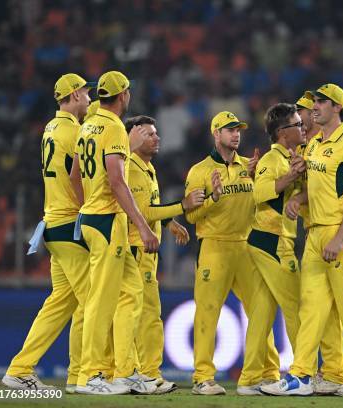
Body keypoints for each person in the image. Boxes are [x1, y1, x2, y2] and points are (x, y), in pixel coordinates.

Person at [262, 84, 343, 397]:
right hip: (315, 234)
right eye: (314, 102)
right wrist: (299, 198)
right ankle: (301, 375)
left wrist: (338, 238)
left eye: (321, 102)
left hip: (342, 235)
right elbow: (324, 187)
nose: (314, 107)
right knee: (312, 309)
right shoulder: (315, 144)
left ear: (337, 107)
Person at [2, 74, 92, 391]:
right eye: (85, 92)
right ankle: (87, 376)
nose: (89, 97)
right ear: (74, 95)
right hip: (70, 223)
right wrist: (90, 212)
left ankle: (21, 368)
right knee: (95, 301)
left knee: (61, 303)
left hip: (52, 223)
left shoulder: (51, 129)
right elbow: (78, 176)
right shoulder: (76, 131)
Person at [72, 71, 160, 395]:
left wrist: (86, 206)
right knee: (101, 300)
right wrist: (143, 226)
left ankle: (125, 371)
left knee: (130, 292)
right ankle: (91, 374)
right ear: (124, 95)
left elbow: (75, 174)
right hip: (109, 222)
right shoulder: (114, 129)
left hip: (95, 217)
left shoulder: (87, 126)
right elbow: (117, 181)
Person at [184, 111, 280, 395]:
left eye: (237, 129)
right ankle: (203, 377)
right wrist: (213, 197)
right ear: (216, 134)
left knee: (261, 310)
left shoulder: (249, 167)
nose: (235, 134)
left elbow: (258, 203)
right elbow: (190, 217)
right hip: (214, 246)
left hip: (246, 245)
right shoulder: (199, 171)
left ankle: (268, 373)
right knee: (207, 313)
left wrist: (256, 178)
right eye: (229, 130)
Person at [124, 115, 205, 394]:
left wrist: (169, 222)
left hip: (146, 249)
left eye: (156, 133)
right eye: (149, 134)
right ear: (133, 137)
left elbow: (150, 205)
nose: (156, 138)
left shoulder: (147, 167)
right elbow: (142, 212)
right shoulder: (131, 167)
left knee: (148, 315)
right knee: (143, 315)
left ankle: (146, 372)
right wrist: (181, 205)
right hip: (136, 247)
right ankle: (142, 373)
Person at [236, 103, 306, 395]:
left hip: (267, 240)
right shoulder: (271, 160)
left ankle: (250, 379)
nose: (302, 127)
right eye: (297, 124)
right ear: (281, 132)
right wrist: (291, 177)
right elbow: (259, 193)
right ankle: (304, 374)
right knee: (296, 309)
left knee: (262, 313)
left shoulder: (289, 157)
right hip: (273, 241)